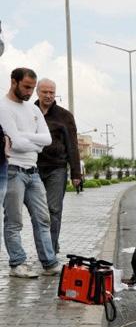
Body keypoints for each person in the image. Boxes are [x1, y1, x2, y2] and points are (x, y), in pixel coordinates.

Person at [0, 67, 58, 278]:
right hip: (12, 170)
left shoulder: (33, 110)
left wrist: (23, 139)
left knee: (43, 219)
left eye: (32, 88)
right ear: (13, 82)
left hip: (33, 173)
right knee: (14, 221)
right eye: (26, 87)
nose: (29, 92)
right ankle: (18, 263)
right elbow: (15, 143)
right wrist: (31, 141)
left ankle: (49, 263)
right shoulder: (3, 107)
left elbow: (47, 140)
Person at [35, 78, 82, 254]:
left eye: (51, 92)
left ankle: (50, 249)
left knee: (53, 209)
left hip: (57, 168)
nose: (48, 95)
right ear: (37, 92)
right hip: (33, 168)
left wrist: (76, 173)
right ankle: (47, 245)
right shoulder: (30, 112)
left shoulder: (65, 116)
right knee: (39, 213)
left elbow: (73, 145)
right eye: (44, 92)